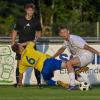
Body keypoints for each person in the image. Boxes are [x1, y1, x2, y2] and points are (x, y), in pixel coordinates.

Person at [52, 25, 100, 90]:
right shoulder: (66, 41)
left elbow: (87, 47)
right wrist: (53, 57)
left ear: (68, 31)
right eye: (62, 33)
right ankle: (86, 84)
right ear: (60, 34)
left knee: (69, 63)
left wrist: (98, 53)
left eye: (65, 32)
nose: (64, 34)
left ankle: (72, 85)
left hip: (87, 55)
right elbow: (61, 50)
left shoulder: (74, 39)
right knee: (72, 72)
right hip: (81, 56)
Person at [11, 3, 41, 87]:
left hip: (31, 45)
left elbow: (39, 32)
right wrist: (13, 42)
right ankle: (19, 83)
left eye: (32, 10)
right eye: (29, 10)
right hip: (20, 45)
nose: (30, 12)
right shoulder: (20, 20)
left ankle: (39, 83)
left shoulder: (36, 21)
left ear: (33, 11)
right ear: (26, 10)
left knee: (36, 64)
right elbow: (15, 31)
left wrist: (36, 40)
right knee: (19, 64)